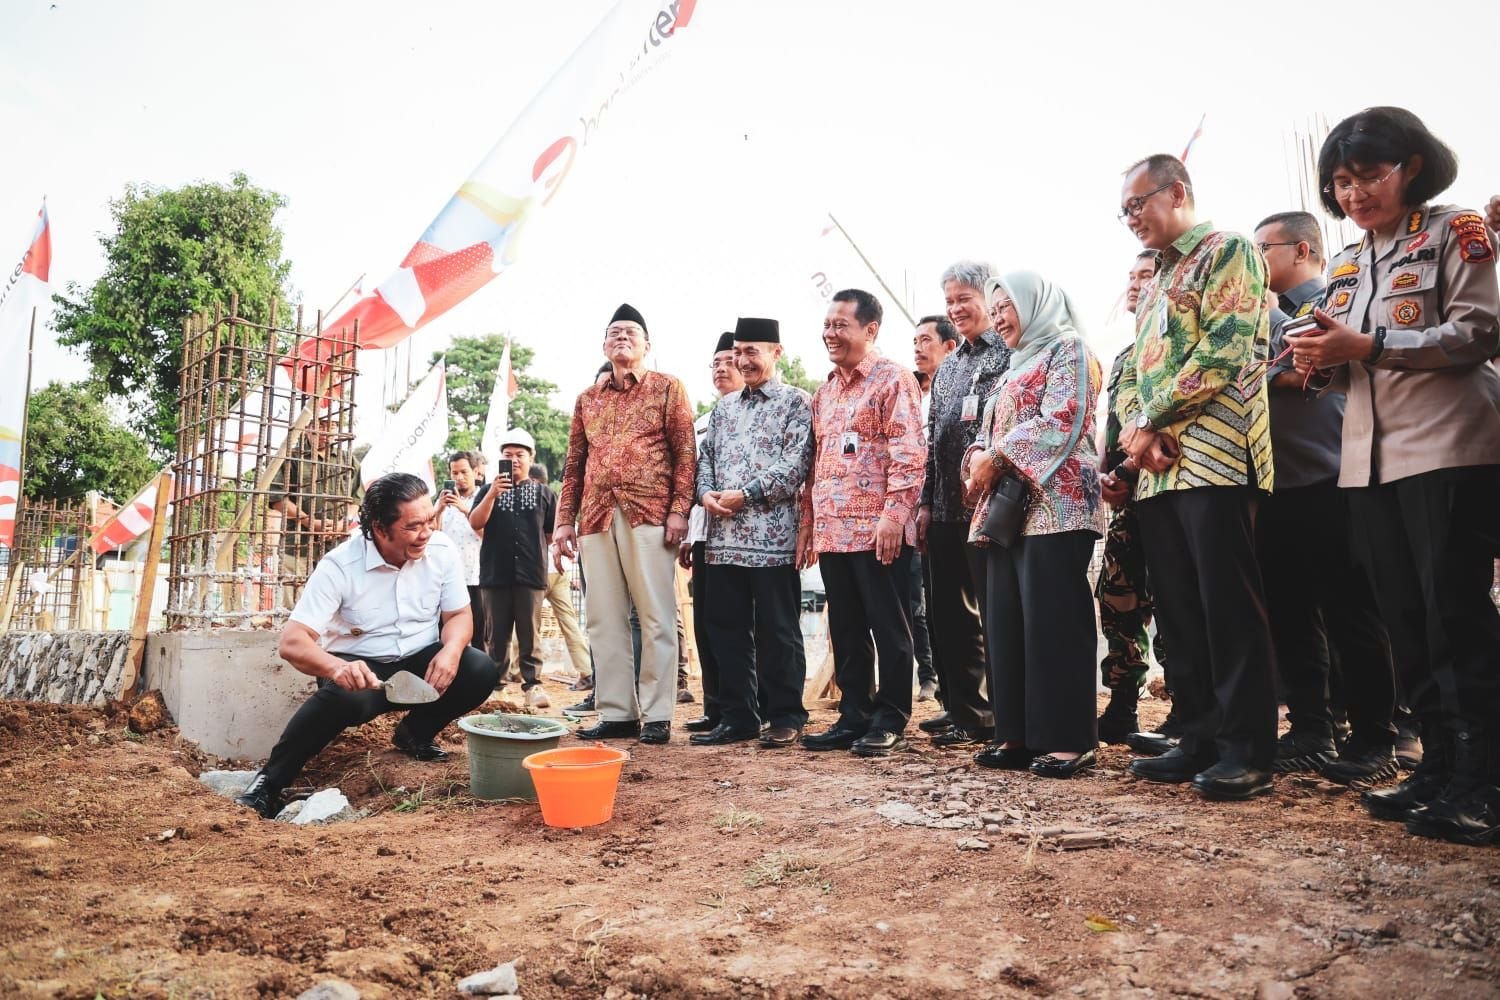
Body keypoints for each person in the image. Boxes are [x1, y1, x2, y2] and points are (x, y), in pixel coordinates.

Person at [1289, 107, 1500, 845]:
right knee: (1404, 621)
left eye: (1369, 176)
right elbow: (1352, 366)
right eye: (1341, 182)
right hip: (1367, 460)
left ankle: (1485, 782)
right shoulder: (1348, 262)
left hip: (1448, 448)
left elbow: (1479, 331)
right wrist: (1318, 363)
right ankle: (1439, 766)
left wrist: (1370, 345)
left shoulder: (1457, 231)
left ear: (1411, 166)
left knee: (1455, 617)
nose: (1354, 194)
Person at [1114, 153, 1279, 801]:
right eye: (1122, 211)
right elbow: (1133, 371)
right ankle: (1199, 737)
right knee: (1180, 612)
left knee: (1228, 606)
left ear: (1176, 192)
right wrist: (1137, 435)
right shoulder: (1155, 279)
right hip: (1157, 471)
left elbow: (1228, 345)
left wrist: (1151, 420)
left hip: (1214, 457)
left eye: (1137, 205)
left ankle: (1248, 749)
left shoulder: (1227, 250)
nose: (1130, 219)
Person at [235, 473, 499, 818]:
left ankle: (414, 734)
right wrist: (337, 668)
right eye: (413, 526)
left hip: (420, 661)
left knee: (479, 669)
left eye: (429, 522)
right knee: (346, 695)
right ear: (379, 527)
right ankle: (270, 783)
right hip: (360, 669)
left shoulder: (441, 549)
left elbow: (459, 615)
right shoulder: (340, 565)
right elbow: (292, 642)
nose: (426, 534)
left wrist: (450, 651)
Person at [1251, 210, 1401, 784]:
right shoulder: (1252, 318)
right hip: (1277, 481)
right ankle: (1313, 728)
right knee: (1289, 613)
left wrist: (1264, 366)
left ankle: (1375, 736)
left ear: (1305, 250)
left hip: (1334, 476)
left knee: (1351, 612)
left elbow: (1301, 370)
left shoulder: (1334, 299)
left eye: (1264, 248)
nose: (1254, 261)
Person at [964, 272, 1105, 777]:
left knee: (1053, 622)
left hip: (1059, 506)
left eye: (1006, 307)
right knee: (1005, 621)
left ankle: (1068, 740)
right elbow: (986, 431)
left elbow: (1063, 418)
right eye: (994, 308)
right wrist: (978, 455)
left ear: (1036, 304)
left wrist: (995, 457)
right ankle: (1017, 735)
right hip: (1009, 512)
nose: (999, 317)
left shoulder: (1069, 349)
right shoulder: (1012, 365)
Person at [555, 304, 696, 745]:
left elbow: (686, 453)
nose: (622, 338)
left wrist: (679, 510)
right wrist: (563, 522)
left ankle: (657, 713)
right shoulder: (587, 399)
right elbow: (574, 464)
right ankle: (617, 712)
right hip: (595, 517)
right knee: (603, 617)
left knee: (656, 614)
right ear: (603, 345)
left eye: (631, 332)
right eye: (614, 332)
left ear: (647, 346)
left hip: (650, 513)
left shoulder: (668, 388)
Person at [798, 288, 927, 757]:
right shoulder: (825, 390)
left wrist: (895, 516)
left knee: (889, 628)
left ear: (870, 330)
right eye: (827, 324)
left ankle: (890, 716)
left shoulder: (894, 380)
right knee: (846, 629)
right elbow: (816, 463)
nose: (830, 333)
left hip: (879, 533)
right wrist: (809, 525)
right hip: (834, 532)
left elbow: (910, 454)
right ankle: (854, 713)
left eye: (841, 325)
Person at [694, 317, 814, 747]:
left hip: (773, 539)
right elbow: (704, 457)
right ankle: (739, 715)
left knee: (777, 629)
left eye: (751, 351)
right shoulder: (723, 409)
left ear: (776, 353)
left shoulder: (797, 403)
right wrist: (706, 492)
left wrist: (747, 494)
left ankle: (786, 715)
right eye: (738, 352)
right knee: (724, 627)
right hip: (723, 538)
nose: (743, 361)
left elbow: (796, 464)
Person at [915, 263, 1010, 749]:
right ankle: (963, 708)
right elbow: (935, 442)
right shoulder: (951, 363)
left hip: (989, 504)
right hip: (947, 509)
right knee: (948, 616)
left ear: (990, 297)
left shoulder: (1008, 355)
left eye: (964, 298)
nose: (956, 309)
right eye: (949, 300)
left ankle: (992, 714)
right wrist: (927, 504)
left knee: (989, 613)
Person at [1097, 250, 1173, 748]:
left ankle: (1187, 707)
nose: (1134, 284)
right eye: (1130, 276)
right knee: (1117, 597)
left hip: (1169, 489)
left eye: (1146, 276)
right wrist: (1110, 475)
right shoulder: (1126, 356)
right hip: (1129, 498)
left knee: (1172, 600)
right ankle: (1123, 703)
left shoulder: (1170, 348)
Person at [682, 332, 745, 734]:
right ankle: (715, 706)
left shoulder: (759, 414)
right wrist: (690, 534)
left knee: (740, 626)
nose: (722, 369)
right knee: (706, 625)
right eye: (715, 363)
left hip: (745, 536)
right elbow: (694, 480)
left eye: (729, 360)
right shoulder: (703, 421)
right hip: (706, 534)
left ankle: (746, 706)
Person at [468, 428, 555, 709]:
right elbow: (475, 523)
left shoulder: (544, 493)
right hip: (495, 573)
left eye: (520, 455)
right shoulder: (486, 489)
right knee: (496, 636)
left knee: (531, 634)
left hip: (531, 573)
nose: (514, 460)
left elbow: (551, 533)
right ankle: (496, 688)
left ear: (531, 458)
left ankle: (533, 686)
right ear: (500, 459)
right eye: (508, 455)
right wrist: (492, 493)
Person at [910, 315, 958, 702]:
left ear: (949, 346)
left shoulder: (962, 384)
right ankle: (947, 694)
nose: (918, 347)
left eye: (926, 340)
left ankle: (962, 695)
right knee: (929, 607)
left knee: (956, 611)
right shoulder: (923, 395)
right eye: (915, 341)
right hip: (928, 511)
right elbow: (927, 459)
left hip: (967, 509)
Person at [267, 417, 361, 608]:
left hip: (336, 541)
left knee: (335, 592)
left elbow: (357, 498)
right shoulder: (291, 457)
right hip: (298, 541)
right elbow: (277, 498)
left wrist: (344, 522)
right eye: (321, 425)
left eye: (333, 425)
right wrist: (309, 522)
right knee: (294, 597)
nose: (327, 432)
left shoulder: (348, 460)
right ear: (307, 428)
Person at [434, 450, 486, 650]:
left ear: (475, 472)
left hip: (476, 575)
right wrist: (438, 510)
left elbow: (487, 535)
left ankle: (482, 677)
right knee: (444, 630)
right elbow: (434, 534)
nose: (459, 477)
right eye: (454, 473)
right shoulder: (442, 500)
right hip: (447, 576)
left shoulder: (483, 498)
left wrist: (465, 510)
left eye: (464, 472)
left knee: (479, 630)